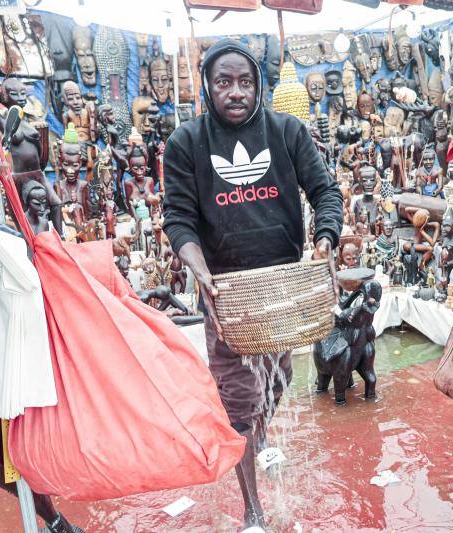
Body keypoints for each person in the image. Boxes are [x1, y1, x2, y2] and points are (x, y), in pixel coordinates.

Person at [163, 39, 343, 528]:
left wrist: (325, 239)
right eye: (224, 82)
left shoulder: (287, 131)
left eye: (245, 81)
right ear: (207, 87)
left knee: (277, 381)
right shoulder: (186, 142)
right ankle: (253, 511)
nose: (235, 91)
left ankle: (259, 434)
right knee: (239, 401)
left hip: (284, 286)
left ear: (258, 84)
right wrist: (198, 269)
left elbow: (325, 191)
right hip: (225, 293)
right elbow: (178, 219)